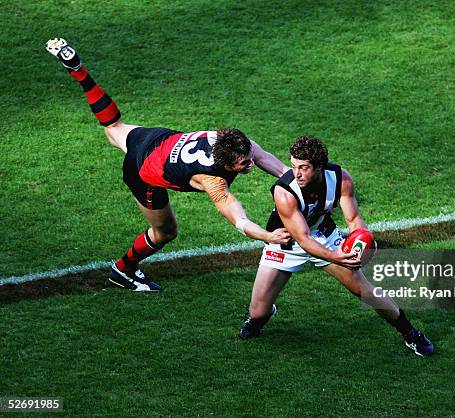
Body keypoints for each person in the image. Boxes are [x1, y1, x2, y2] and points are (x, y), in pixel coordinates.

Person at [46, 38, 290, 292]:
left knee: (114, 127)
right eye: (243, 164)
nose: (250, 163)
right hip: (143, 171)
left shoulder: (234, 142)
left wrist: (292, 177)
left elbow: (269, 161)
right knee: (165, 231)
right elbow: (238, 220)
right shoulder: (212, 180)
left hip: (155, 139)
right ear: (225, 165)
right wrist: (267, 235)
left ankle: (77, 69)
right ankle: (123, 269)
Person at [239, 136, 434, 356]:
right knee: (257, 314)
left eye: (303, 168)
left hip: (324, 236)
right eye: (293, 166)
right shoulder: (284, 192)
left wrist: (364, 239)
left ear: (319, 166)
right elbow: (303, 239)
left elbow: (353, 220)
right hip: (286, 242)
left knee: (364, 290)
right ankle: (261, 316)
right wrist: (336, 258)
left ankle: (410, 333)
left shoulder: (341, 178)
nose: (297, 173)